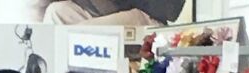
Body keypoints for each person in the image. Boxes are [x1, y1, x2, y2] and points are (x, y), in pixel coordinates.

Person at [41, 0, 187, 25]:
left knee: (79, 32)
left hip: (147, 17)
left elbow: (172, 11)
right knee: (56, 12)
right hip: (108, 13)